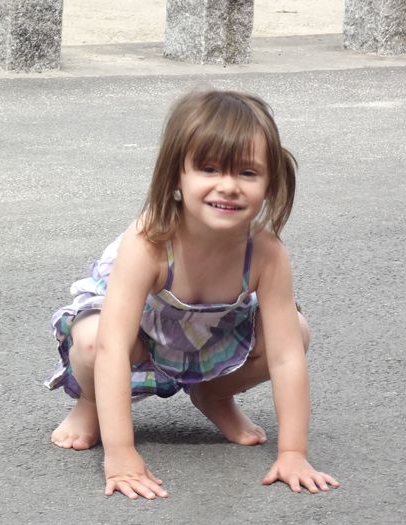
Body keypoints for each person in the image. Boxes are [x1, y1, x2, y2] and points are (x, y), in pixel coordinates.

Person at [45, 89, 339, 500]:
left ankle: (213, 394)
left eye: (247, 173)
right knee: (94, 341)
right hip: (135, 334)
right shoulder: (149, 241)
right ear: (175, 177)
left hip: (210, 335)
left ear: (271, 182)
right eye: (209, 169)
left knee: (296, 331)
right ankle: (91, 405)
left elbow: (287, 357)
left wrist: (293, 453)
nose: (228, 186)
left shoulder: (266, 253)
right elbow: (113, 346)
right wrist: (121, 453)